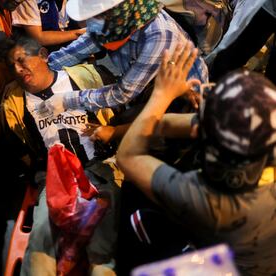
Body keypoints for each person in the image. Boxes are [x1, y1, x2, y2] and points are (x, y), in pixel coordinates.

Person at [0, 35, 122, 275]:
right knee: (40, 246)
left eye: (21, 60)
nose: (17, 69)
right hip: (54, 178)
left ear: (44, 56)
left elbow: (122, 100)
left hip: (98, 167)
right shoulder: (14, 98)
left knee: (102, 252)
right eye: (12, 65)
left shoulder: (83, 77)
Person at [116, 42, 276, 275]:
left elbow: (128, 157)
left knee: (137, 216)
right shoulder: (261, 137)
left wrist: (161, 94)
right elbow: (170, 124)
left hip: (231, 267)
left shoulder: (214, 199)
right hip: (260, 247)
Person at [36, 0, 208, 118]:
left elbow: (123, 92)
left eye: (98, 16)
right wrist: (40, 68)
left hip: (185, 97)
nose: (91, 23)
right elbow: (76, 51)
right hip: (146, 86)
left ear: (118, 11)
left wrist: (67, 100)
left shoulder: (158, 36)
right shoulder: (112, 25)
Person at [208, 0, 276, 84]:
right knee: (234, 54)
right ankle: (214, 82)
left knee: (238, 55)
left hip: (269, 14)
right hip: (265, 10)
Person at [11, 0, 85, 49]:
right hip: (37, 53)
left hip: (62, 47)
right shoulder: (29, 1)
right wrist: (79, 33)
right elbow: (38, 38)